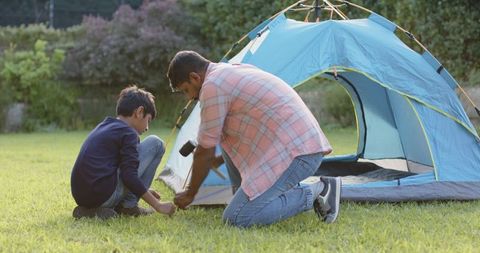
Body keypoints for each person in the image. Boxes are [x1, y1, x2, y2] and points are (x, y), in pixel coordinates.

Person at [167, 51, 341, 228]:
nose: (190, 98)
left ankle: (317, 191)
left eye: (186, 90)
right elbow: (222, 134)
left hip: (298, 154)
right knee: (224, 139)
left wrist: (190, 193)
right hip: (300, 146)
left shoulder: (212, 86)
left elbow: (205, 148)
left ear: (195, 77)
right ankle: (250, 200)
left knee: (237, 218)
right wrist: (217, 160)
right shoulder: (231, 70)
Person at [71, 85, 176, 219]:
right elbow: (128, 175)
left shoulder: (105, 125)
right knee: (156, 144)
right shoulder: (129, 133)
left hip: (83, 196)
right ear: (139, 112)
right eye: (148, 120)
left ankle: (90, 211)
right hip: (104, 195)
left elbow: (114, 167)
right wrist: (158, 205)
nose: (147, 128)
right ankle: (129, 206)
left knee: (135, 163)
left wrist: (144, 191)